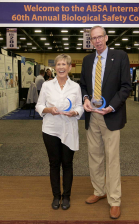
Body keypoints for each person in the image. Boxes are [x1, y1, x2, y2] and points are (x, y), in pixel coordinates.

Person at [80, 26, 132, 219]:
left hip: (111, 114)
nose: (97, 41)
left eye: (100, 37)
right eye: (94, 38)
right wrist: (85, 98)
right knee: (94, 156)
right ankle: (99, 190)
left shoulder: (120, 56)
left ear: (106, 37)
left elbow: (126, 86)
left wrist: (111, 107)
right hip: (92, 115)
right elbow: (83, 84)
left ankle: (115, 200)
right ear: (91, 41)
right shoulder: (86, 60)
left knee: (112, 159)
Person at [35, 54, 84, 210]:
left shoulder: (75, 87)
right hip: (51, 129)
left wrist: (75, 113)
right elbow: (39, 105)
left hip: (69, 129)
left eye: (65, 64)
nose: (61, 67)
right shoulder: (47, 85)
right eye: (59, 64)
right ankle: (56, 196)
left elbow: (80, 106)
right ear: (54, 67)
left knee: (67, 164)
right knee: (54, 163)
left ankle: (67, 196)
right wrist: (48, 109)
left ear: (69, 67)